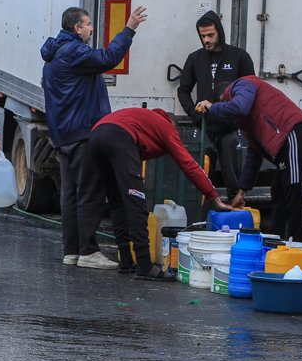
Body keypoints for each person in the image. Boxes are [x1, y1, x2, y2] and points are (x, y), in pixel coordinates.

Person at [41, 4, 147, 269]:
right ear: (77, 28)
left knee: (71, 194)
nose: (91, 28)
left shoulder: (55, 54)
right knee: (89, 192)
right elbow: (109, 57)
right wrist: (129, 28)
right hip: (81, 132)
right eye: (87, 24)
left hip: (64, 134)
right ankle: (88, 250)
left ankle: (72, 251)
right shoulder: (75, 52)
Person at [77, 107, 233, 280]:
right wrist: (213, 196)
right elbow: (189, 164)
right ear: (172, 125)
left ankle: (125, 261)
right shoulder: (166, 127)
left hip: (96, 134)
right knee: (136, 202)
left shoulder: (142, 120)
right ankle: (145, 265)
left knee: (116, 202)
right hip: (119, 137)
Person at [203, 76, 302, 241]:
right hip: (285, 142)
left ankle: (297, 244)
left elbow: (239, 107)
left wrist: (212, 107)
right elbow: (253, 155)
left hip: (292, 133)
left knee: (292, 192)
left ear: (223, 98)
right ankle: (274, 242)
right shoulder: (247, 121)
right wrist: (241, 192)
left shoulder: (243, 84)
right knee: (278, 193)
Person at [177, 10, 255, 195]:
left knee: (234, 181)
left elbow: (251, 90)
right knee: (202, 179)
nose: (207, 40)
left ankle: (235, 211)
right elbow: (183, 90)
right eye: (203, 36)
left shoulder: (239, 57)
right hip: (204, 129)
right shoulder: (195, 59)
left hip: (230, 129)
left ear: (219, 31)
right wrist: (194, 114)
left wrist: (239, 115)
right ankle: (202, 216)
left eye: (211, 35)